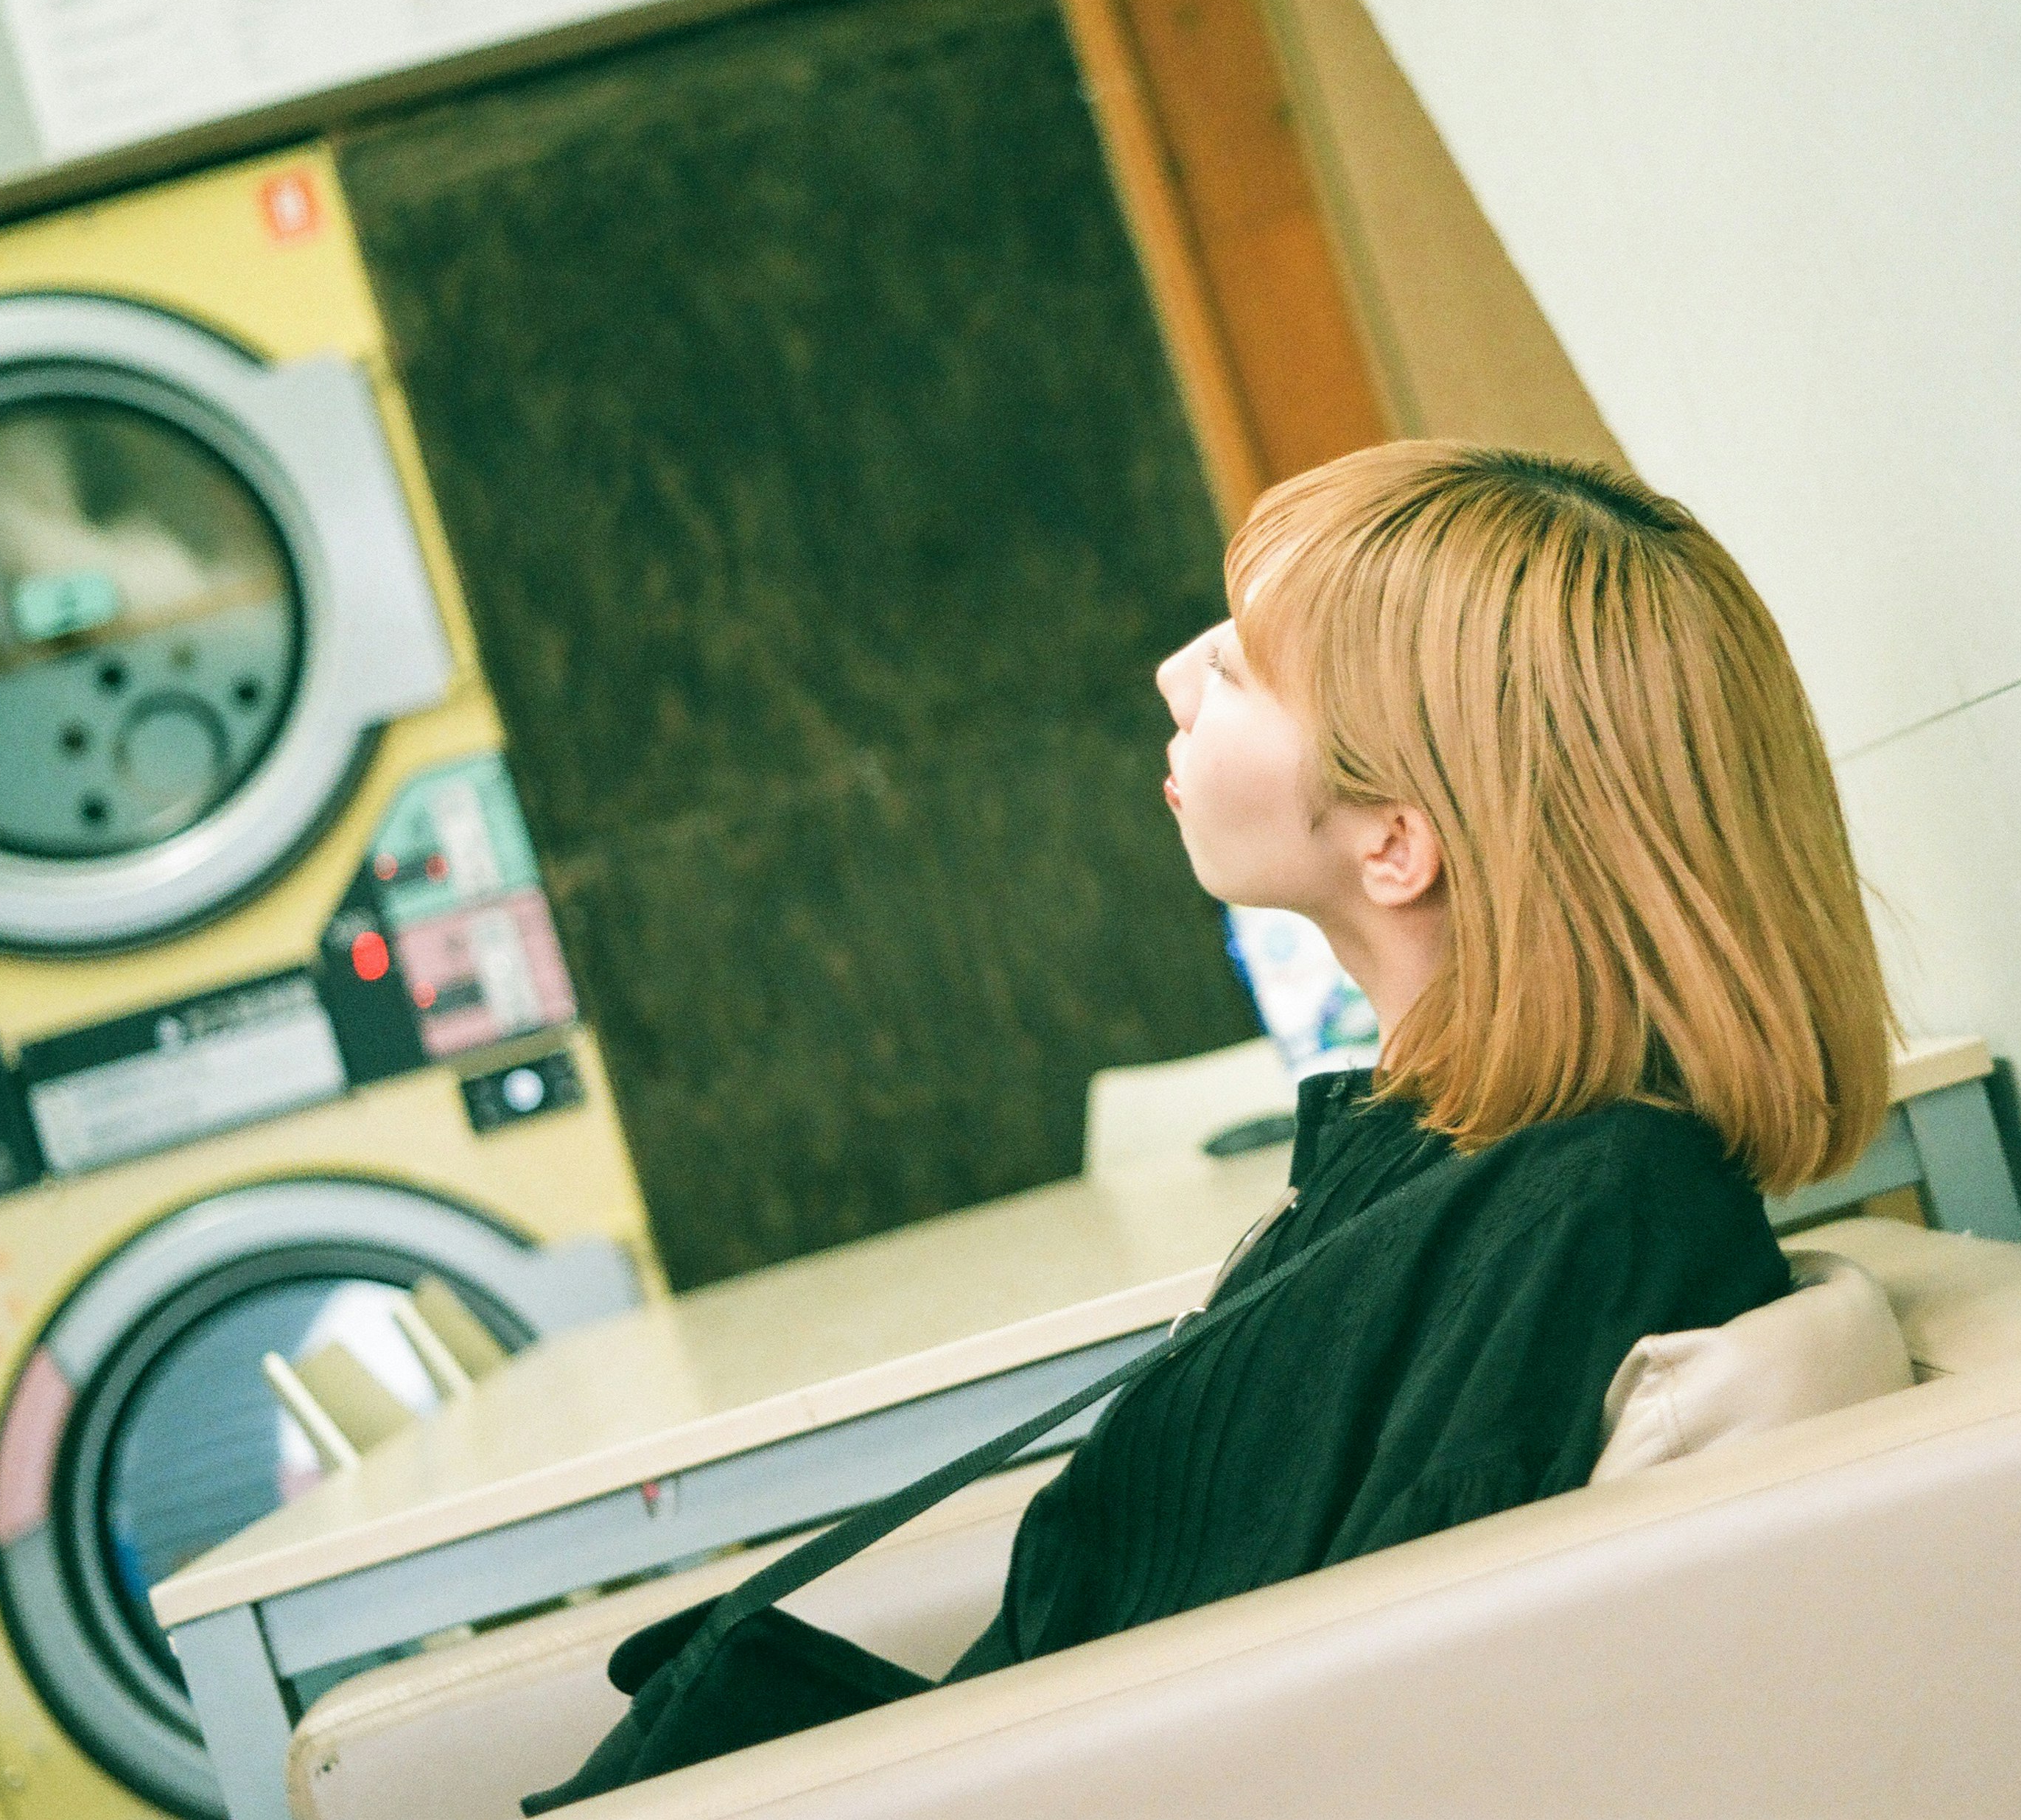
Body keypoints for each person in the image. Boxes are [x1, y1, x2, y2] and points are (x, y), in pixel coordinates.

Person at [529, 441, 1892, 1807]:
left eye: (1238, 668)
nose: (1176, 675)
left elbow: (1343, 1731)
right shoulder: (1459, 1158)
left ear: (1396, 845)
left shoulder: (1590, 1212)